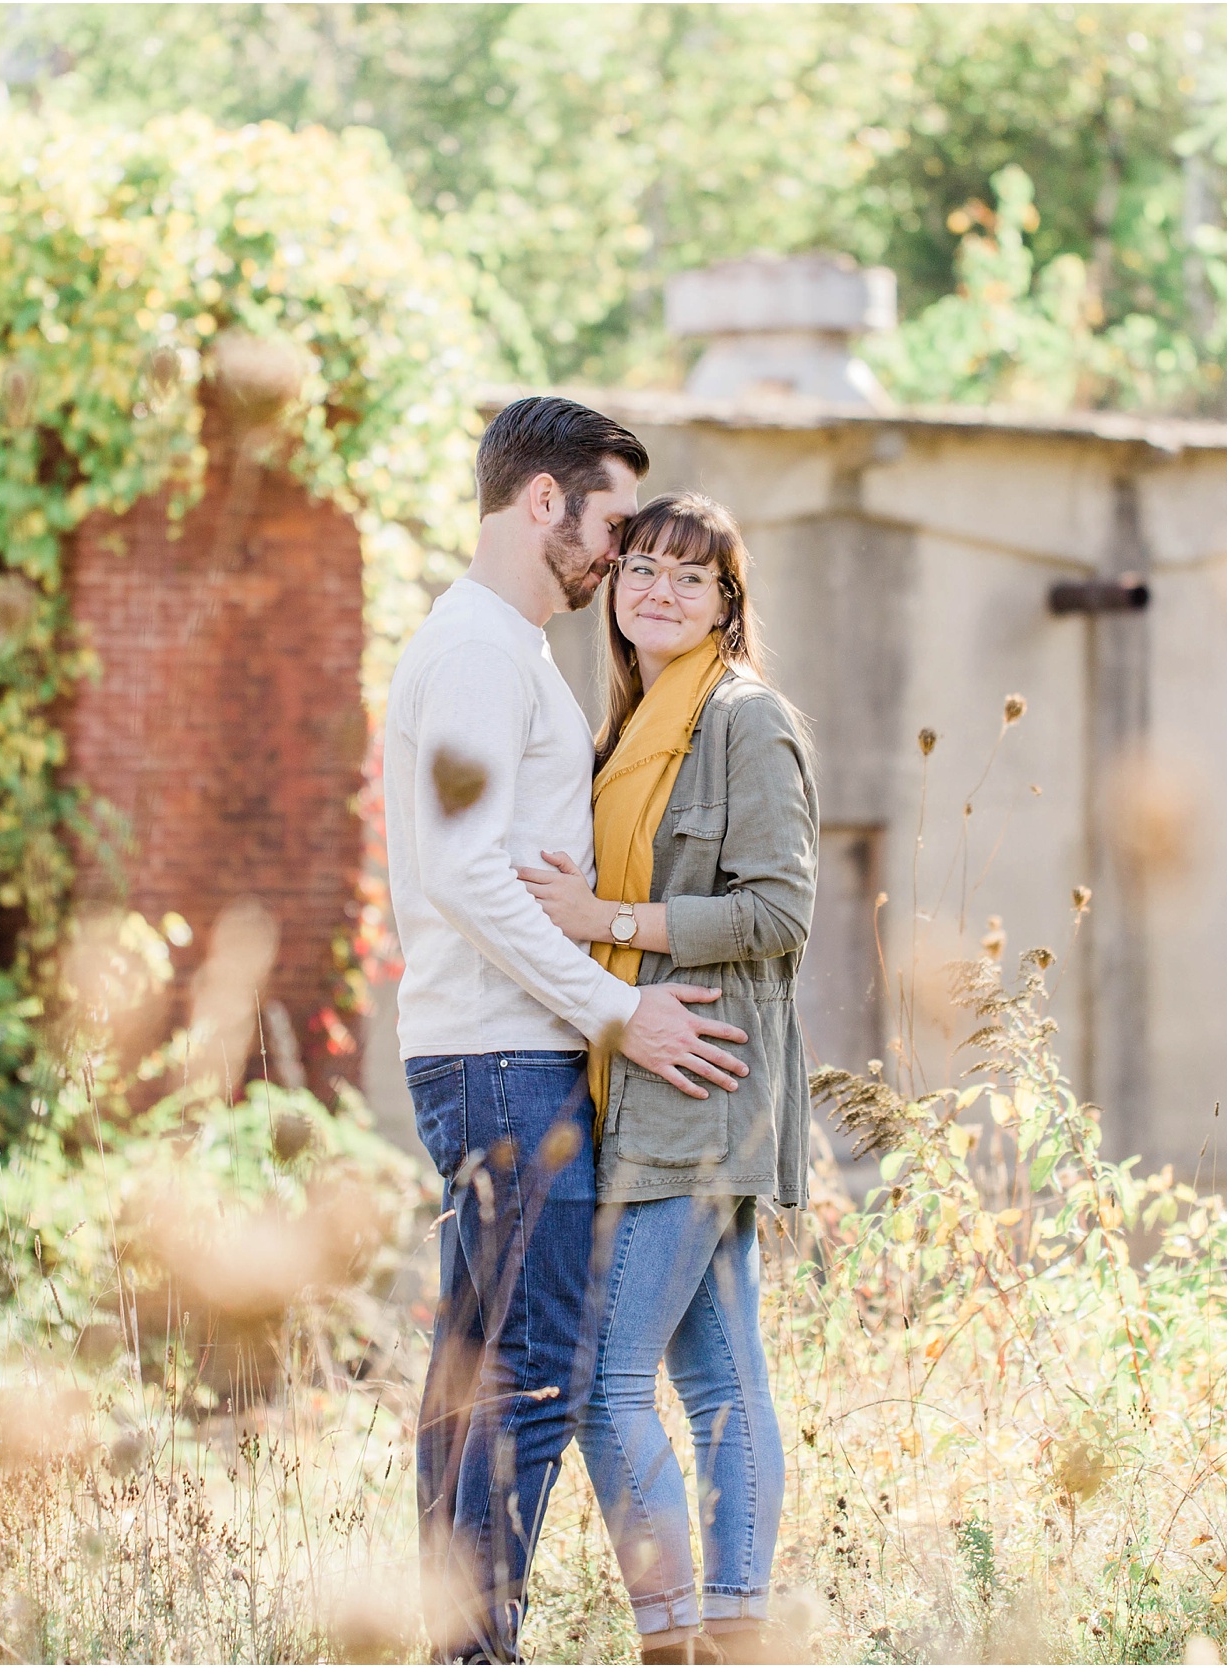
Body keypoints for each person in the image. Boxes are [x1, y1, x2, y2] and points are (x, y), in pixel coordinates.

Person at [384, 398, 753, 1664]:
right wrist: (621, 1011)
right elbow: (465, 873)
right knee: (536, 1369)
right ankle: (478, 1650)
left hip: (491, 1054)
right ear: (543, 505)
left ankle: (453, 1641)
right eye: (607, 525)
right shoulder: (485, 653)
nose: (613, 556)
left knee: (474, 1371)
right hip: (504, 1062)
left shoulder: (496, 649)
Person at [518, 492, 817, 1666]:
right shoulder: (634, 727)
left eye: (689, 577)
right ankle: (734, 1634)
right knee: (720, 1377)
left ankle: (677, 1641)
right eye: (639, 566)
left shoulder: (743, 720)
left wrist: (614, 921)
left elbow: (782, 907)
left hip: (702, 1074)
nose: (655, 589)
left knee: (603, 1383)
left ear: (727, 606)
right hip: (639, 1075)